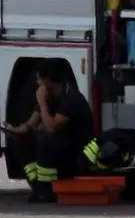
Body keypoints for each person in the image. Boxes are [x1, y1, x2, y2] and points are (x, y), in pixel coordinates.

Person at [3, 60, 95, 203]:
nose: (38, 83)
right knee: (22, 140)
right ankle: (38, 187)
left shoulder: (72, 98)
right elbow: (30, 125)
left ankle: (49, 189)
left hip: (77, 157)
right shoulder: (50, 97)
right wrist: (14, 130)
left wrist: (43, 104)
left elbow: (51, 128)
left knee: (44, 141)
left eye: (39, 79)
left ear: (47, 80)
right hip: (60, 149)